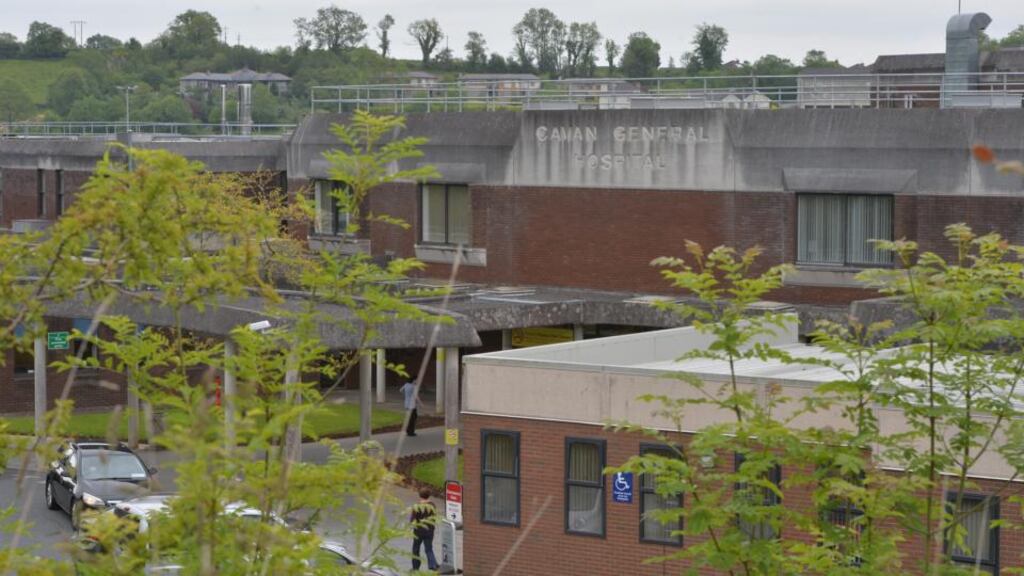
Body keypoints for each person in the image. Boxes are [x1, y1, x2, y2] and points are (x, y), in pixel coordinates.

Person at [410, 488, 439, 572]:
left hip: (418, 532)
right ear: (428, 495)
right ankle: (433, 565)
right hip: (429, 531)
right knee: (428, 549)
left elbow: (413, 520)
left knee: (415, 549)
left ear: (420, 495)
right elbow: (434, 518)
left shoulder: (417, 506)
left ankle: (415, 567)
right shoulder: (432, 505)